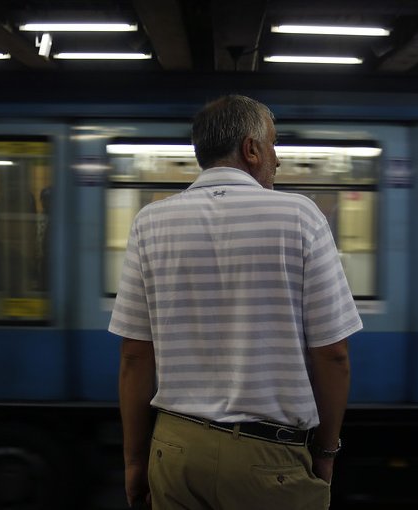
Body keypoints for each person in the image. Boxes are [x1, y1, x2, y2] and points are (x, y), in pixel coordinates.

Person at [110, 95, 362, 510]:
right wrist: (326, 453)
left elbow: (135, 357)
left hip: (175, 450)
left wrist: (135, 461)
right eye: (274, 145)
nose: (277, 161)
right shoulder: (301, 217)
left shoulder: (149, 223)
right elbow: (333, 355)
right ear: (251, 149)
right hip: (269, 459)